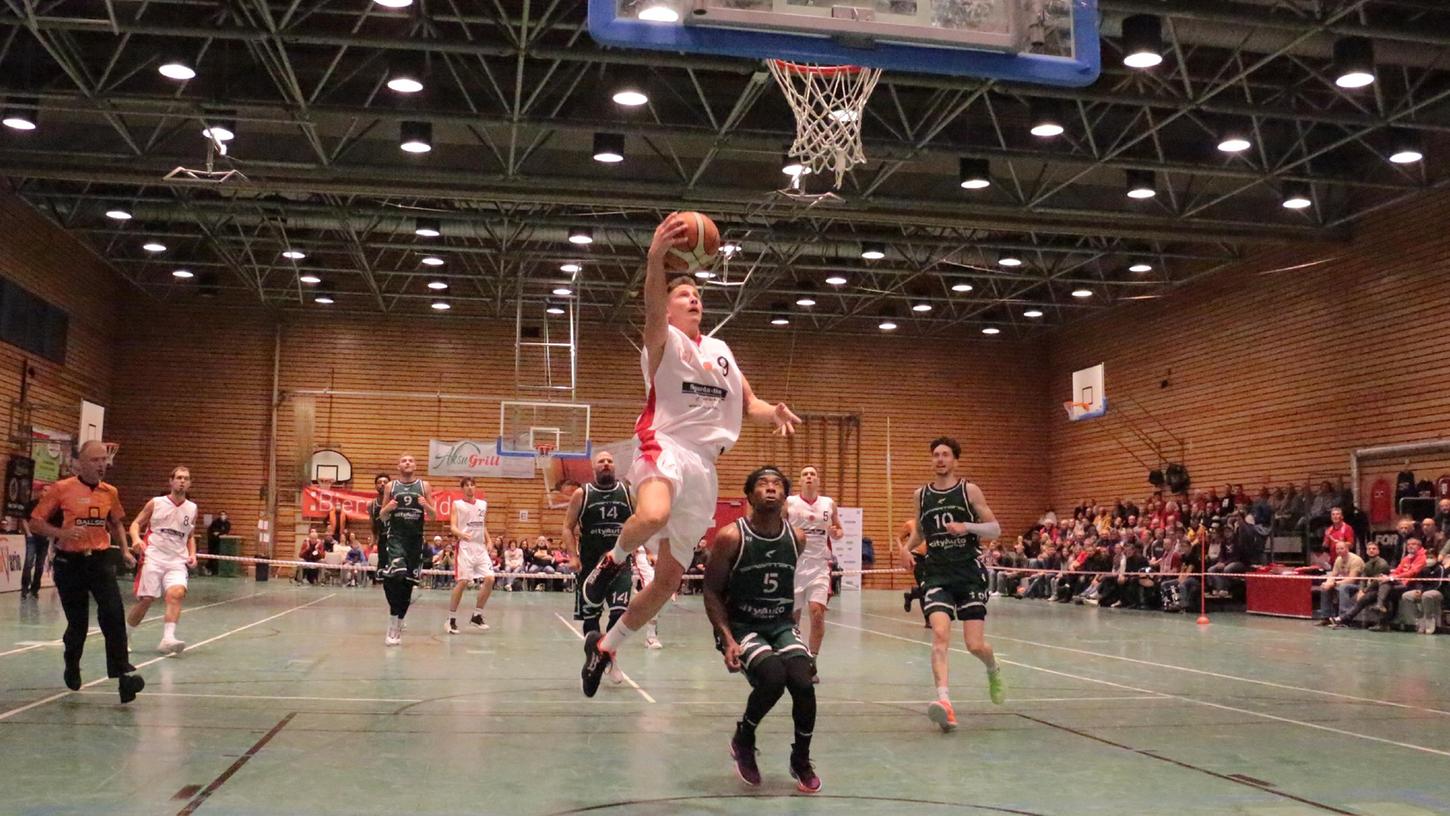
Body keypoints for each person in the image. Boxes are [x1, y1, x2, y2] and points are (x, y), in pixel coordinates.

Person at [577, 214, 801, 697]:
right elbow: (652, 308)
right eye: (683, 295)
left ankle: (607, 646)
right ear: (670, 309)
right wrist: (656, 258)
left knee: (666, 584)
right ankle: (609, 563)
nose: (693, 298)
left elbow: (749, 401)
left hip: (705, 465)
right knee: (653, 513)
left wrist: (772, 412)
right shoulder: (663, 340)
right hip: (665, 443)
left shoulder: (720, 349)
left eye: (697, 294)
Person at [703, 466, 820, 793]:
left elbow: (787, 587)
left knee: (803, 682)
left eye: (777, 484)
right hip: (742, 626)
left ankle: (801, 759)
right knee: (772, 678)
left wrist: (797, 635)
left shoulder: (796, 538)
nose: (770, 488)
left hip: (780, 624)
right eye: (762, 484)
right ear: (750, 495)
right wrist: (726, 639)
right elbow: (711, 591)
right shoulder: (731, 537)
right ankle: (744, 738)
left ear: (785, 495)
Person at [29, 441, 144, 703]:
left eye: (104, 460)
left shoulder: (109, 492)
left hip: (100, 560)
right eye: (95, 460)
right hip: (70, 563)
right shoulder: (62, 489)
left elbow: (116, 523)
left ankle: (123, 676)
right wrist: (62, 533)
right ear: (81, 463)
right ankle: (72, 661)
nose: (101, 464)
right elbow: (36, 522)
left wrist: (125, 550)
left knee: (113, 614)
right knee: (78, 624)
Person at [905, 437, 1005, 732]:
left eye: (945, 454)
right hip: (936, 573)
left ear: (955, 460)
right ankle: (945, 703)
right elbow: (920, 532)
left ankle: (992, 667)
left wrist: (968, 526)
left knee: (975, 645)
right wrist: (906, 548)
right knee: (939, 635)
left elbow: (995, 528)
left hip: (968, 574)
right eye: (935, 454)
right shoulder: (921, 495)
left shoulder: (968, 490)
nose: (940, 459)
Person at [563, 450, 634, 685]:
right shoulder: (582, 494)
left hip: (619, 564)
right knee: (590, 619)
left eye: (610, 461)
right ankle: (596, 655)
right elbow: (567, 527)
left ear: (615, 466)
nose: (606, 464)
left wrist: (650, 550)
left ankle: (610, 656)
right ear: (594, 467)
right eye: (601, 461)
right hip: (591, 566)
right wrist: (573, 556)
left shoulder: (627, 491)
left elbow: (641, 520)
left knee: (619, 612)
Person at [125, 466, 198, 655]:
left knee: (176, 593)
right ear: (171, 481)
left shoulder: (192, 508)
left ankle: (167, 639)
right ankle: (124, 636)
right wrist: (136, 539)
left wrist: (193, 554)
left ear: (190, 483)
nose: (182, 481)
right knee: (146, 600)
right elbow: (135, 524)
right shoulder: (156, 503)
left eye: (186, 478)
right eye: (179, 477)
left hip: (176, 561)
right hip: (153, 558)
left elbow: (190, 535)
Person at [786, 465, 843, 682]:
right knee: (792, 617)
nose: (809, 477)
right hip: (794, 564)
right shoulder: (790, 503)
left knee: (817, 611)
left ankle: (812, 661)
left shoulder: (828, 503)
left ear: (818, 480)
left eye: (812, 474)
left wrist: (837, 532)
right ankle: (793, 658)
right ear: (800, 480)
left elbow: (838, 529)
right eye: (804, 474)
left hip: (819, 565)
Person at [377, 454, 436, 646]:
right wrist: (389, 507)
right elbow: (382, 516)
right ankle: (392, 620)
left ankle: (398, 624)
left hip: (415, 542)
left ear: (416, 465)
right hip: (396, 539)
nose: (407, 462)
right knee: (397, 576)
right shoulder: (391, 487)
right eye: (403, 460)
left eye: (411, 460)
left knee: (408, 585)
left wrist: (425, 505)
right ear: (398, 465)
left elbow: (434, 516)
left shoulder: (424, 486)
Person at [447, 477, 495, 634]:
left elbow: (483, 524)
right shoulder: (457, 505)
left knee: (490, 579)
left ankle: (477, 615)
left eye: (472, 485)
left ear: (475, 487)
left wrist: (489, 540)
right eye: (466, 485)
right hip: (465, 547)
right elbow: (453, 527)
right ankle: (451, 619)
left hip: (480, 547)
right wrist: (461, 534)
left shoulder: (483, 504)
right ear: (462, 489)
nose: (469, 488)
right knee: (463, 582)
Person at [1315, 538, 1363, 624]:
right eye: (1337, 549)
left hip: (1358, 585)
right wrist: (1328, 583)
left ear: (1347, 549)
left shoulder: (1355, 560)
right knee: (1324, 587)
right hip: (1344, 582)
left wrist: (1334, 584)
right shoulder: (1338, 559)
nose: (1339, 551)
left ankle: (1343, 618)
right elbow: (1333, 575)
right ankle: (1326, 617)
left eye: (1342, 548)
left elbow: (1352, 580)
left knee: (1343, 588)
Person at [19, 494, 49, 598]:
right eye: (45, 490)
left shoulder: (51, 505)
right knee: (28, 562)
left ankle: (35, 588)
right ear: (41, 491)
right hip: (32, 536)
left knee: (40, 564)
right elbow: (24, 519)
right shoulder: (32, 504)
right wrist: (28, 533)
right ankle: (24, 587)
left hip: (44, 538)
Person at [366, 473, 390, 584]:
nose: (382, 484)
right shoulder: (371, 504)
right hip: (382, 538)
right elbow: (372, 522)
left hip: (395, 537)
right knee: (382, 563)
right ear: (376, 486)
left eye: (385, 482)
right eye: (379, 482)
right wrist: (373, 537)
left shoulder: (395, 502)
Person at [204, 509, 230, 576]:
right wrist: (219, 533)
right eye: (221, 515)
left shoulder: (227, 523)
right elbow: (214, 532)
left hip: (221, 542)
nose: (223, 516)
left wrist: (219, 533)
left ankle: (215, 570)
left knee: (217, 555)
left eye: (224, 515)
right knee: (212, 555)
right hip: (212, 541)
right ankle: (208, 568)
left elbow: (225, 532)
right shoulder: (215, 522)